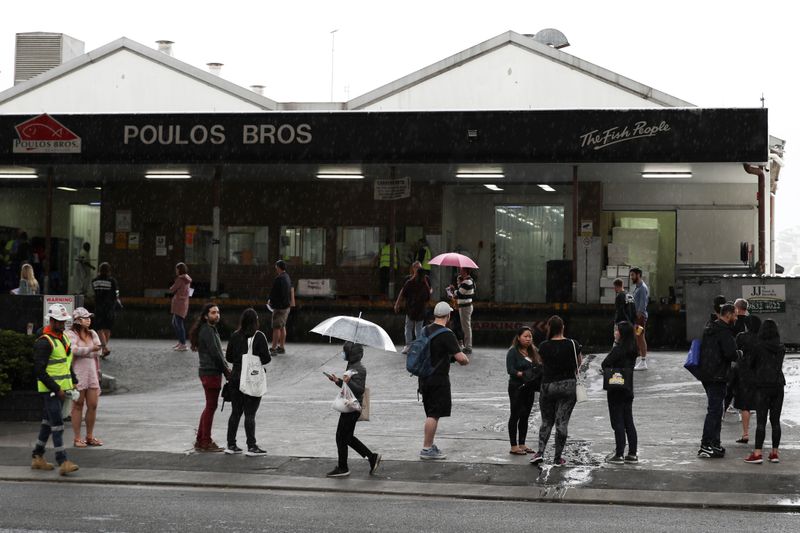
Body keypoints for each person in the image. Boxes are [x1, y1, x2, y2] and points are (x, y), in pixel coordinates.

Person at [30, 303, 79, 475]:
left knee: (47, 423)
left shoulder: (63, 338)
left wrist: (73, 380)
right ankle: (63, 461)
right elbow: (39, 370)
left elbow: (66, 362)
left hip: (60, 389)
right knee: (57, 424)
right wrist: (56, 388)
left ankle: (37, 456)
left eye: (64, 321)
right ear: (50, 320)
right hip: (51, 390)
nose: (62, 324)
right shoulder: (44, 342)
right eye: (59, 321)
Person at [418, 301, 469, 460]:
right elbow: (461, 358)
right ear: (448, 316)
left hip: (424, 377)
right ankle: (427, 449)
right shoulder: (447, 333)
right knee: (434, 414)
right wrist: (465, 359)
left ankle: (429, 444)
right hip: (438, 378)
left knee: (430, 412)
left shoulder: (424, 330)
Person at [325, 342, 382, 477]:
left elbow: (359, 389)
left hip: (352, 408)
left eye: (345, 351)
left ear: (351, 354)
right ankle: (371, 457)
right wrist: (338, 380)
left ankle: (343, 467)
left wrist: (347, 381)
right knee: (347, 438)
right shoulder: (352, 366)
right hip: (350, 406)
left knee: (341, 437)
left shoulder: (359, 369)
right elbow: (347, 387)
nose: (343, 353)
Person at [530, 315, 580, 467]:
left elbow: (539, 362)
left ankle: (540, 452)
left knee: (546, 421)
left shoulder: (544, 346)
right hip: (568, 386)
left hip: (548, 385)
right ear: (563, 327)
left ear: (549, 328)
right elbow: (579, 363)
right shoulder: (573, 344)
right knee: (562, 422)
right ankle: (558, 458)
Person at [225, 308, 271, 456]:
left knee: (235, 412)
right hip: (251, 379)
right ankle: (251, 446)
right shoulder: (259, 336)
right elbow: (266, 359)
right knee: (250, 414)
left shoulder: (235, 335)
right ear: (256, 321)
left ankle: (231, 445)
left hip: (235, 379)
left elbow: (229, 357)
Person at [697, 303, 738, 459]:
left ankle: (714, 443)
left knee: (717, 410)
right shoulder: (724, 331)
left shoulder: (710, 328)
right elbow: (731, 354)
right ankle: (706, 445)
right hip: (718, 375)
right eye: (734, 315)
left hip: (707, 374)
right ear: (727, 315)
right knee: (714, 411)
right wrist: (739, 353)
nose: (735, 318)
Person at [189, 303, 230, 452]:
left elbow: (217, 352)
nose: (217, 315)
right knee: (211, 407)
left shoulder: (210, 329)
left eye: (218, 312)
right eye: (213, 312)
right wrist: (226, 371)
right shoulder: (207, 331)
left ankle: (201, 439)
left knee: (209, 406)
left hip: (209, 372)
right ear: (206, 316)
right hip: (211, 372)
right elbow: (215, 354)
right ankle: (205, 441)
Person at [744, 319, 786, 464]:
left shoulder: (758, 346)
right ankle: (774, 453)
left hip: (762, 386)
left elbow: (750, 364)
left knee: (761, 421)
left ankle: (757, 454)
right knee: (775, 421)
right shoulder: (781, 347)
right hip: (778, 385)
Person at [601, 321, 639, 464]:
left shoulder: (618, 349)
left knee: (618, 421)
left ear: (621, 334)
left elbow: (605, 364)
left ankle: (619, 454)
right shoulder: (633, 349)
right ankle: (633, 453)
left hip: (616, 388)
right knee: (628, 421)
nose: (615, 333)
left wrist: (614, 345)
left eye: (617, 331)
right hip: (628, 388)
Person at [65, 307, 104, 448]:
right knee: (78, 405)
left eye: (89, 317)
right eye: (85, 318)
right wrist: (89, 350)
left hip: (92, 372)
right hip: (78, 372)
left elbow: (98, 350)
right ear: (77, 320)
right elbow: (73, 350)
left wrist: (87, 351)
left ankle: (89, 436)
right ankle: (77, 438)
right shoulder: (70, 334)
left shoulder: (92, 333)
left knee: (93, 404)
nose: (88, 320)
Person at [506, 326, 542, 455]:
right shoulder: (513, 352)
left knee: (525, 415)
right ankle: (513, 446)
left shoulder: (534, 351)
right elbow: (510, 370)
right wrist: (523, 374)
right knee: (515, 414)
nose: (528, 339)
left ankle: (522, 443)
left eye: (530, 337)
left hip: (529, 387)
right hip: (516, 387)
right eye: (525, 336)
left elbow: (539, 365)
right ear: (519, 337)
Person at [733, 315, 761, 444]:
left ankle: (745, 434)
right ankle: (761, 435)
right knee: (761, 405)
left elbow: (735, 353)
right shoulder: (761, 339)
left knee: (745, 406)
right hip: (759, 373)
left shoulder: (741, 337)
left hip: (743, 373)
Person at [394, 261, 431, 354]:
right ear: (413, 269)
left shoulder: (425, 280)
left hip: (420, 307)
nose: (418, 270)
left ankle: (417, 346)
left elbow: (428, 293)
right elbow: (403, 292)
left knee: (418, 328)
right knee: (409, 326)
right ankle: (408, 345)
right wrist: (397, 303)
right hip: (411, 307)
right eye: (417, 268)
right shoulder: (409, 280)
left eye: (420, 268)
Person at [91, 262, 118, 358]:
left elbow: (95, 292)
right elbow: (116, 294)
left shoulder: (94, 281)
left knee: (99, 328)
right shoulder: (112, 281)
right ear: (109, 271)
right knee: (107, 328)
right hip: (109, 308)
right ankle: (104, 348)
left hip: (99, 307)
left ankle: (104, 348)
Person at [267, 260, 292, 355]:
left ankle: (273, 348)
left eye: (276, 267)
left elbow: (274, 293)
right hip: (286, 306)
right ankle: (281, 347)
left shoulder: (279, 279)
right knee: (282, 327)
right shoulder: (287, 277)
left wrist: (271, 301)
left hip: (279, 307)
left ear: (278, 267)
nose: (275, 269)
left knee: (276, 327)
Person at [450, 268, 475, 355]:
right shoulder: (470, 281)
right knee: (466, 327)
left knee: (466, 327)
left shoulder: (466, 282)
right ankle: (467, 346)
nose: (459, 272)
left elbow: (459, 294)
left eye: (461, 271)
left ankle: (468, 347)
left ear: (465, 272)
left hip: (465, 307)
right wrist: (459, 284)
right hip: (466, 306)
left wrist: (453, 290)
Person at [630, 267, 650, 370]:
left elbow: (642, 305)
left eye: (632, 275)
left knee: (640, 338)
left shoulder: (642, 288)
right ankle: (642, 360)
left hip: (640, 317)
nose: (631, 277)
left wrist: (637, 318)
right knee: (639, 337)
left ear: (638, 275)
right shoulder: (638, 287)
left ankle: (643, 361)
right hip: (638, 317)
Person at [169, 262, 192, 351]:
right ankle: (181, 342)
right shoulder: (188, 278)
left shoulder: (180, 279)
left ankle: (183, 344)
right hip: (184, 303)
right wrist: (185, 297)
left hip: (179, 303)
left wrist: (173, 289)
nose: (176, 271)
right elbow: (190, 291)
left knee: (178, 323)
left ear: (180, 270)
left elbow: (172, 289)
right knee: (176, 323)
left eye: (177, 269)